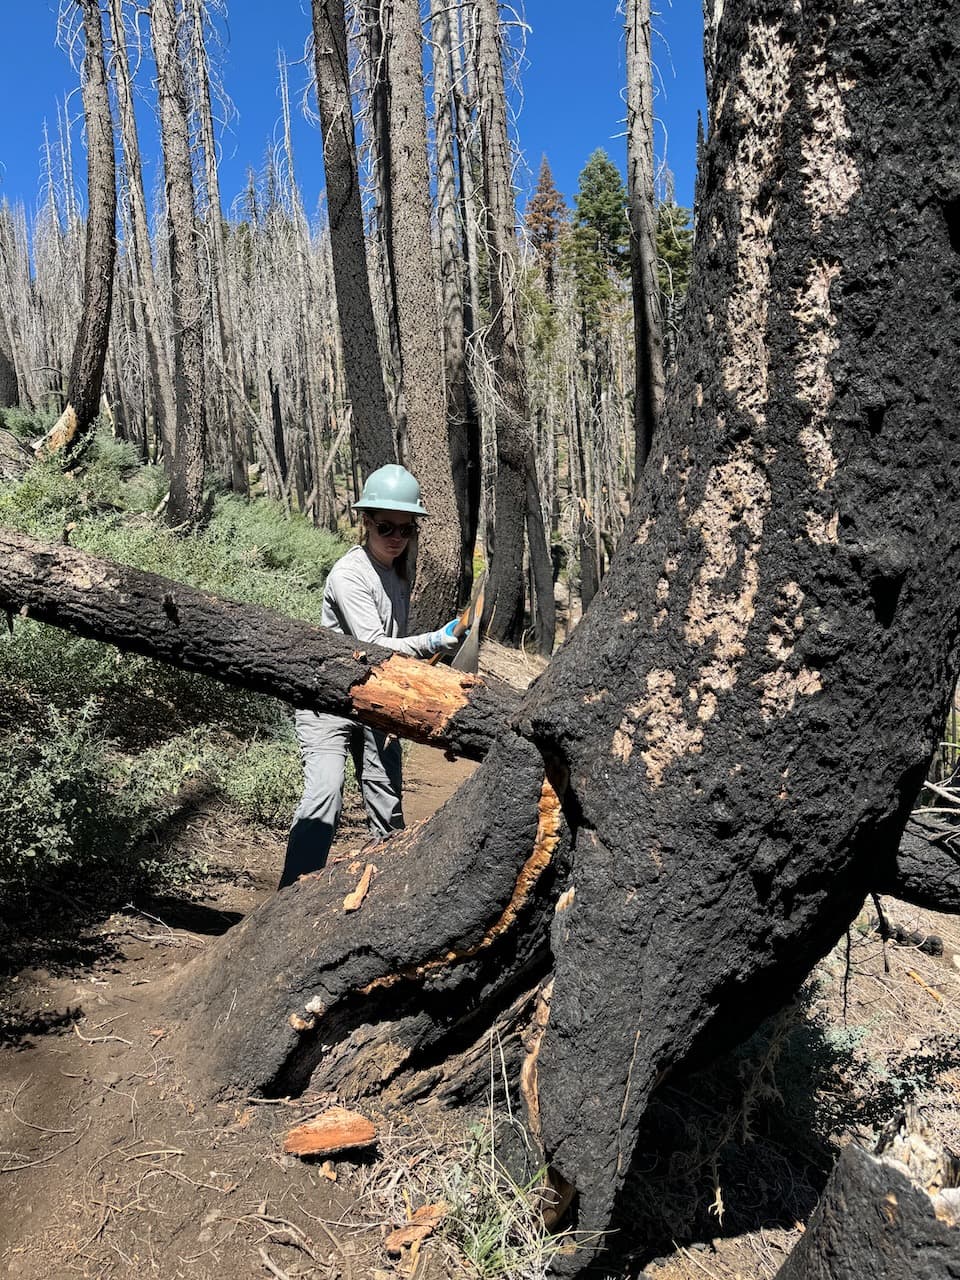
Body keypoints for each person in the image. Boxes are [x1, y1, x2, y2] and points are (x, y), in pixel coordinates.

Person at [279, 464, 464, 889]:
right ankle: (288, 899)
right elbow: (374, 646)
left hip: (375, 699)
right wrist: (436, 639)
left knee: (387, 802)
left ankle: (386, 895)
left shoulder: (399, 569)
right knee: (324, 798)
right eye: (386, 527)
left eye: (406, 529)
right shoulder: (349, 575)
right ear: (366, 522)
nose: (397, 537)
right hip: (326, 700)